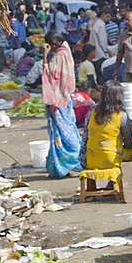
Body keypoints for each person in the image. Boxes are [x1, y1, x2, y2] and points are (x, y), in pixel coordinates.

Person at [80, 81, 132, 187]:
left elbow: (86, 137)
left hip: (89, 160)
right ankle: (119, 184)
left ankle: (109, 184)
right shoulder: (121, 116)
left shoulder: (92, 111)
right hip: (111, 161)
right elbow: (129, 143)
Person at [41, 31, 82, 179]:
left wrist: (45, 57)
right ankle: (57, 168)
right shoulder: (66, 51)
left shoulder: (58, 57)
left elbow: (49, 77)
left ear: (52, 44)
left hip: (58, 101)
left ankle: (70, 161)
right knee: (64, 131)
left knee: (63, 134)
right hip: (66, 99)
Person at [87, 11, 111, 80]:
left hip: (96, 54)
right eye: (107, 16)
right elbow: (103, 42)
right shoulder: (100, 25)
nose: (109, 19)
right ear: (103, 15)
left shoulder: (97, 24)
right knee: (101, 76)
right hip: (100, 55)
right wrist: (108, 52)